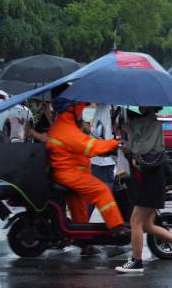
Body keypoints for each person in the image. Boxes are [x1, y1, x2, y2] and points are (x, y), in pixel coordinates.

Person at [46, 102, 129, 257]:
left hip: (69, 172)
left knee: (80, 208)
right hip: (70, 173)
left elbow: (79, 148)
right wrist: (115, 143)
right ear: (72, 111)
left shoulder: (63, 126)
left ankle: (84, 243)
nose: (82, 115)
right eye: (80, 112)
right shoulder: (67, 129)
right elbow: (89, 146)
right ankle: (116, 226)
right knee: (101, 190)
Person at [115, 106, 172, 273]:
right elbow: (135, 147)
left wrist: (130, 134)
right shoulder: (142, 122)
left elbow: (141, 149)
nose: (140, 105)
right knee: (147, 225)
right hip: (149, 178)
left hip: (151, 179)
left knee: (135, 221)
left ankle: (136, 261)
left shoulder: (153, 124)